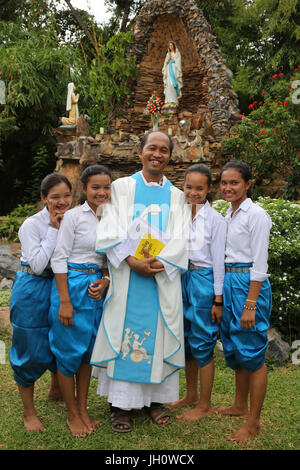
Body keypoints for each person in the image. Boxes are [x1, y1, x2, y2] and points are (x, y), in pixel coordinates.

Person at [91, 131, 190, 432]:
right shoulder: (121, 188)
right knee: (125, 335)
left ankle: (155, 401)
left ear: (170, 156)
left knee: (158, 335)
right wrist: (133, 261)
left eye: (164, 150)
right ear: (140, 151)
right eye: (151, 148)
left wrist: (161, 263)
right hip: (127, 278)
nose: (157, 154)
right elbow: (108, 229)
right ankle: (120, 404)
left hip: (160, 280)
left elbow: (183, 238)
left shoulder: (177, 196)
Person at [49, 164, 111, 438]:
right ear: (84, 189)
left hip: (96, 288)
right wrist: (65, 301)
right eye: (95, 187)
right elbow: (59, 258)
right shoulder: (74, 217)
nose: (101, 192)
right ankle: (72, 413)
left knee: (87, 351)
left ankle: (83, 407)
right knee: (67, 351)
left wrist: (107, 279)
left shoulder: (113, 217)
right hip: (71, 286)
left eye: (106, 187)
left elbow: (112, 257)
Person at [9, 173, 73, 432]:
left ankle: (56, 389)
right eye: (55, 197)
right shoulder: (32, 225)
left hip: (60, 286)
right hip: (32, 288)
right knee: (30, 345)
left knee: (60, 336)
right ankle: (28, 412)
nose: (62, 202)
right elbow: (36, 263)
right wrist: (54, 231)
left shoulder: (75, 219)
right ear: (44, 198)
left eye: (66, 196)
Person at [217, 160, 272, 443]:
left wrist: (250, 304)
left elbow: (260, 263)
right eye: (224, 183)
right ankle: (239, 405)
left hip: (249, 285)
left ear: (248, 184)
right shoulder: (228, 213)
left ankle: (253, 422)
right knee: (236, 347)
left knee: (252, 351)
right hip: (229, 282)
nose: (228, 187)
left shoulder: (257, 215)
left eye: (234, 182)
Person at [168, 164, 227, 421]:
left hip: (203, 279)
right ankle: (190, 395)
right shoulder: (177, 214)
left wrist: (217, 299)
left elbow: (218, 262)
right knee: (187, 339)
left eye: (199, 188)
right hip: (180, 276)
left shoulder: (216, 220)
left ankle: (204, 404)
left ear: (209, 189)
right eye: (189, 187)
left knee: (203, 340)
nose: (193, 193)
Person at [162, 41, 183, 106]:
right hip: (169, 69)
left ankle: (174, 100)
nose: (171, 47)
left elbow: (178, 62)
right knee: (169, 84)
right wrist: (168, 60)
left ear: (174, 46)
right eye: (169, 46)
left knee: (173, 83)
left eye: (172, 45)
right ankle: (168, 100)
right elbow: (165, 62)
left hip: (174, 69)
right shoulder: (168, 54)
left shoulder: (177, 53)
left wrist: (174, 60)